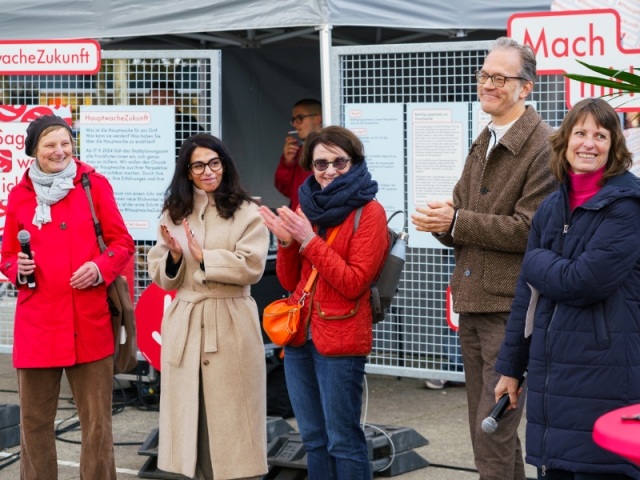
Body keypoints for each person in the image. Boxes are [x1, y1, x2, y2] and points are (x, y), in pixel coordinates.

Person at [411, 37, 558, 480]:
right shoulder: (485, 138)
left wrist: (456, 221)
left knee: (491, 430)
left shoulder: (544, 146)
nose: (488, 84)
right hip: (474, 302)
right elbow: (463, 216)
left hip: (510, 309)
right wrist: (443, 224)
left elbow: (530, 230)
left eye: (500, 77)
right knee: (491, 429)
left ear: (526, 87)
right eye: (484, 75)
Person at [495, 98, 640, 480]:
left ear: (614, 146)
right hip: (552, 378)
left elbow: (584, 282)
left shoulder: (628, 207)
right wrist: (511, 368)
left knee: (598, 467)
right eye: (580, 133)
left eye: (600, 135)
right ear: (565, 141)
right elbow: (527, 299)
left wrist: (534, 261)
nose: (588, 143)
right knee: (555, 466)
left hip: (606, 374)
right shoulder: (550, 207)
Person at [0, 115, 134, 479]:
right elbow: (7, 254)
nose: (60, 151)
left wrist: (100, 267)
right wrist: (16, 269)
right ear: (34, 151)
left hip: (87, 320)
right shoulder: (19, 195)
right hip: (37, 323)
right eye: (50, 145)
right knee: (34, 425)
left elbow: (122, 242)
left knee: (97, 424)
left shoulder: (93, 185)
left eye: (65, 143)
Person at [259, 126, 389, 480]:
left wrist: (308, 241)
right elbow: (290, 282)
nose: (330, 171)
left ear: (355, 162)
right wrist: (287, 243)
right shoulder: (306, 205)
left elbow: (353, 283)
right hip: (299, 336)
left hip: (341, 339)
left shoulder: (370, 212)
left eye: (339, 162)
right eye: (321, 163)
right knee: (313, 440)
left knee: (342, 441)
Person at [148, 133, 269, 480]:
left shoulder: (247, 212)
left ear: (225, 164)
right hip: (186, 320)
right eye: (198, 165)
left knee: (233, 414)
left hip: (231, 321)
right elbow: (161, 275)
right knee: (191, 414)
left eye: (214, 163)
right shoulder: (174, 212)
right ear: (187, 172)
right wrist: (174, 257)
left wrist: (205, 258)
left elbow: (253, 266)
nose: (208, 171)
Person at [274, 98, 322, 211]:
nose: (295, 124)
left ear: (317, 119)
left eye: (300, 118)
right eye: (294, 119)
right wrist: (287, 163)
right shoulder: (298, 152)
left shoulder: (329, 151)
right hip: (298, 216)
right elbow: (285, 189)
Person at [149, 80, 204, 154]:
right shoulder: (145, 126)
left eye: (167, 101)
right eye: (156, 102)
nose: (161, 106)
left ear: (177, 103)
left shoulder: (190, 125)